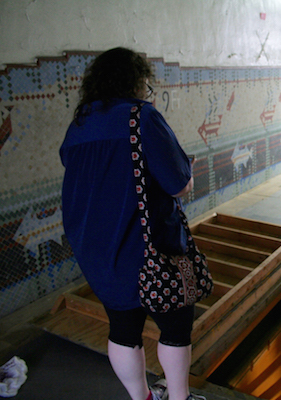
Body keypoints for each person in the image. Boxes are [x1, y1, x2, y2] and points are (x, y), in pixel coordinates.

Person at [60, 47, 204, 400]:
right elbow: (178, 183)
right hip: (150, 246)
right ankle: (179, 397)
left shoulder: (78, 124)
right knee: (175, 325)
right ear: (137, 81)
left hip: (96, 248)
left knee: (123, 327)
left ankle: (142, 398)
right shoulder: (141, 117)